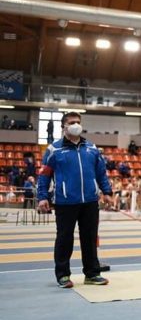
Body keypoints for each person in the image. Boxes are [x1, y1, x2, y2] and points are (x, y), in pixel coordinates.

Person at [37, 112, 113, 288]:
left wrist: (107, 192)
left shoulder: (92, 148)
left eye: (78, 122)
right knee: (64, 239)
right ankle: (63, 275)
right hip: (65, 202)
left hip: (90, 201)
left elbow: (101, 173)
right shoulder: (54, 149)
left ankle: (92, 274)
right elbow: (44, 176)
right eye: (72, 122)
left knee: (90, 238)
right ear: (63, 126)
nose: (76, 125)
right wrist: (42, 197)